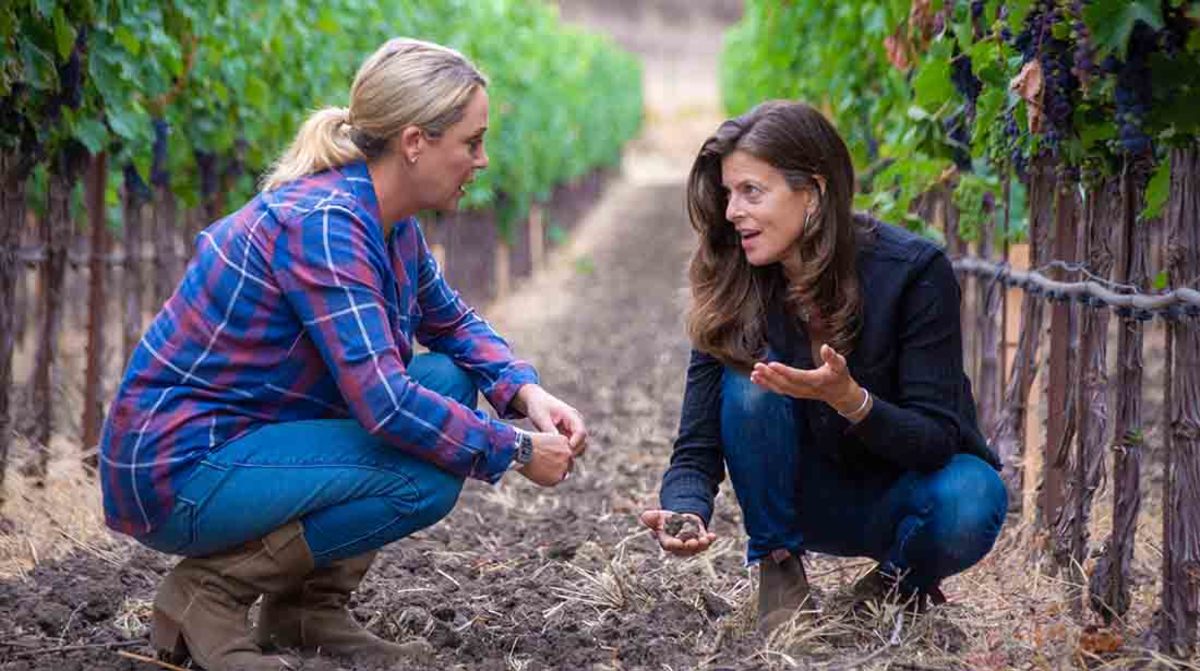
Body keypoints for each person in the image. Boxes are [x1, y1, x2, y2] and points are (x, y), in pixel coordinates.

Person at [99, 38, 587, 670]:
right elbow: (383, 404)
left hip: (246, 443)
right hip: (179, 468)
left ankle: (306, 610)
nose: (483, 160)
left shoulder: (388, 223)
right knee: (427, 473)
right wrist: (514, 450)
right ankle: (210, 593)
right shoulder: (326, 224)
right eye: (472, 142)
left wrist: (527, 394)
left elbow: (453, 324)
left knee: (445, 378)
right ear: (415, 142)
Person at [639, 101, 1007, 632]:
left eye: (751, 192)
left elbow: (937, 440)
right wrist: (684, 510)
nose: (731, 212)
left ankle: (897, 582)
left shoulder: (913, 272)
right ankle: (780, 573)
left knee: (975, 495)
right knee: (750, 385)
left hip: (898, 497)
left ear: (812, 193)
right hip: (794, 500)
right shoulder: (735, 285)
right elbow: (696, 445)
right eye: (727, 194)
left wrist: (850, 400)